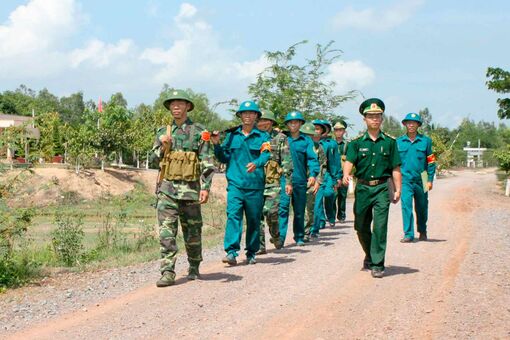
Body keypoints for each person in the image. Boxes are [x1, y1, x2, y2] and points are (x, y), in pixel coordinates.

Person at [153, 89, 215, 287]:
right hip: (167, 190)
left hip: (190, 191)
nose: (176, 107)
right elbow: (155, 158)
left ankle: (194, 267)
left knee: (193, 232)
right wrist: (164, 146)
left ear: (187, 106)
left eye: (180, 104)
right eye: (172, 104)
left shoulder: (199, 132)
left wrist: (205, 187)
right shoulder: (163, 132)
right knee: (166, 232)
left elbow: (207, 161)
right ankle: (168, 271)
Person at [342, 98, 402, 278]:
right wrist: (346, 174)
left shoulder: (390, 142)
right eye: (370, 116)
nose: (374, 119)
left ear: (382, 119)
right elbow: (349, 161)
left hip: (382, 188)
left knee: (380, 226)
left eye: (378, 116)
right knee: (361, 226)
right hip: (362, 188)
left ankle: (377, 263)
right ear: (364, 119)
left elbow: (395, 167)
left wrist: (398, 188)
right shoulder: (356, 142)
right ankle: (369, 253)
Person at [211, 100, 271, 265]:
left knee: (253, 219)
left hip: (255, 186)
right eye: (244, 113)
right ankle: (231, 252)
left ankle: (251, 252)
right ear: (240, 116)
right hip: (236, 184)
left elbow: (266, 155)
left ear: (256, 116)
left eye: (251, 113)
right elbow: (223, 157)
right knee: (233, 216)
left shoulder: (263, 136)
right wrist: (216, 145)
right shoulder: (231, 136)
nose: (247, 116)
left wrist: (257, 163)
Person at [278, 111, 320, 246]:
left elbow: (313, 159)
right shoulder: (282, 139)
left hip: (300, 180)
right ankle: (281, 238)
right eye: (290, 122)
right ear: (287, 124)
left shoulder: (306, 141)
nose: (293, 124)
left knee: (299, 210)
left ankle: (299, 236)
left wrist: (313, 174)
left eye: (296, 122)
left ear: (301, 124)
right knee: (283, 208)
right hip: (284, 180)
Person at [256, 109, 293, 253]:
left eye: (265, 120)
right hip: (256, 181)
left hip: (273, 181)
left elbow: (286, 161)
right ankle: (260, 246)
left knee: (271, 212)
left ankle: (276, 235)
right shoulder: (253, 136)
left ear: (271, 122)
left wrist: (288, 181)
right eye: (260, 120)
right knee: (256, 213)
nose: (262, 123)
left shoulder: (280, 138)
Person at [397, 113, 436, 242]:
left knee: (422, 206)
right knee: (406, 205)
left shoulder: (426, 141)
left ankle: (423, 231)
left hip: (423, 178)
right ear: (405, 125)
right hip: (405, 179)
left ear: (418, 125)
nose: (411, 125)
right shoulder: (398, 142)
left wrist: (430, 180)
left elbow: (431, 161)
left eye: (414, 123)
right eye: (408, 122)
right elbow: (395, 163)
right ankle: (408, 234)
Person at [316, 120, 341, 229]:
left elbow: (335, 161)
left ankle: (330, 217)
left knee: (329, 194)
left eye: (323, 128)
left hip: (328, 173)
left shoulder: (331, 143)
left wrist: (337, 177)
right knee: (318, 197)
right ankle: (321, 220)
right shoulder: (312, 142)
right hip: (316, 173)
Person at [303, 122, 325, 241]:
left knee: (310, 207)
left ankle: (307, 231)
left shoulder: (319, 148)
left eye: (309, 135)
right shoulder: (297, 145)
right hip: (299, 180)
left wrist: (318, 182)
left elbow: (323, 166)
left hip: (313, 181)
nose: (307, 137)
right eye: (305, 134)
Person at [333, 120, 349, 223]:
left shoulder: (348, 145)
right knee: (332, 195)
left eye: (341, 130)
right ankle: (332, 215)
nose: (339, 132)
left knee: (342, 196)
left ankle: (341, 215)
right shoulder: (330, 143)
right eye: (336, 130)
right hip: (333, 173)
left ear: (344, 131)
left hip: (344, 173)